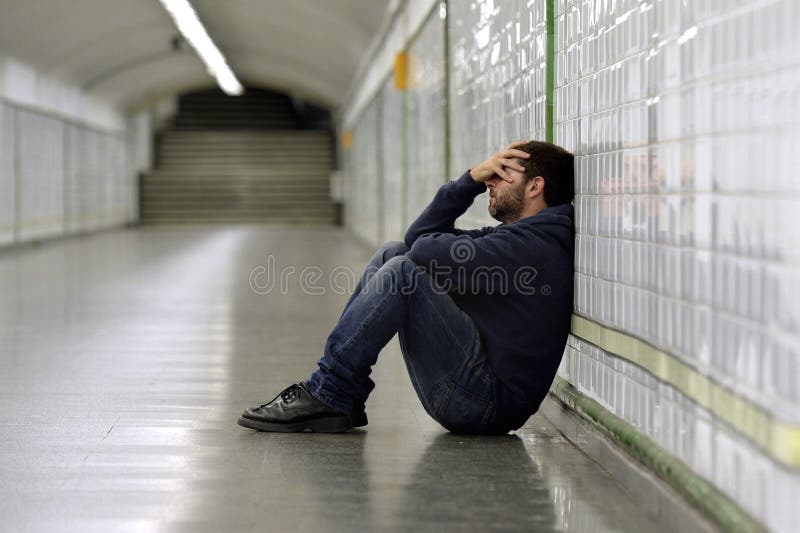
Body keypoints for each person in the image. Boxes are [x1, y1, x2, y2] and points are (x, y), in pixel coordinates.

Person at [238, 140, 575, 434]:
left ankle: (329, 392)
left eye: (503, 175)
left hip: (484, 405)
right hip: (480, 389)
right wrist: (470, 179)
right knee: (393, 252)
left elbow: (423, 249)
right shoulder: (523, 238)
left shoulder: (531, 248)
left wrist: (470, 183)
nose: (491, 181)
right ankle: (344, 394)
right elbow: (416, 239)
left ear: (535, 187)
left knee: (404, 271)